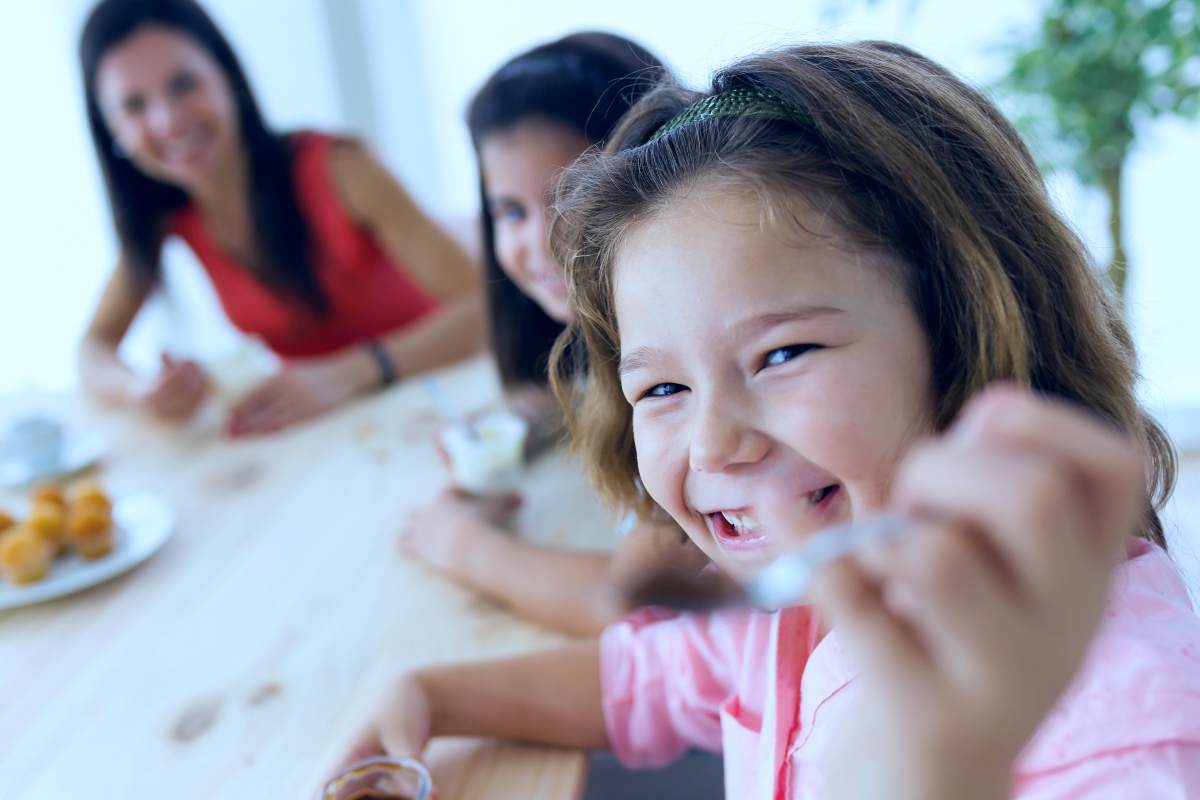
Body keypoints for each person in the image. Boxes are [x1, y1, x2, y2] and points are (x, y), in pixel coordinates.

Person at [339, 42, 1200, 798]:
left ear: (968, 329)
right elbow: (649, 677)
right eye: (661, 390)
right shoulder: (785, 601)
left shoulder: (1126, 722)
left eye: (782, 355)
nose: (714, 443)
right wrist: (428, 692)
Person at [398, 33, 707, 636]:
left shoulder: (689, 372)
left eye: (569, 196)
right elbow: (580, 384)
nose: (538, 242)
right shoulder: (605, 340)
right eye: (509, 212)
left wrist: (461, 544)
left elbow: (637, 602)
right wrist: (523, 420)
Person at [76, 0, 484, 435]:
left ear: (227, 76)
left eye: (183, 84)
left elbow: (484, 310)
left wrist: (347, 373)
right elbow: (92, 349)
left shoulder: (339, 168)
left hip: (439, 403)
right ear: (111, 128)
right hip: (334, 431)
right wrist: (137, 388)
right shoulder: (165, 216)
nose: (168, 121)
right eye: (134, 105)